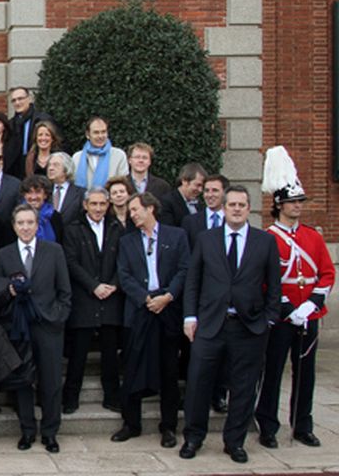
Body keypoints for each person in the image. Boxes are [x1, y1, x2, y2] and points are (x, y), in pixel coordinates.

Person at [180, 186, 281, 463]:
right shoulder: (206, 239)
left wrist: (268, 319)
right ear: (223, 208)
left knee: (244, 386)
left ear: (249, 209)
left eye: (242, 205)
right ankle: (193, 437)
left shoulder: (264, 242)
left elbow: (274, 286)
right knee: (199, 383)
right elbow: (193, 282)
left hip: (249, 328)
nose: (237, 209)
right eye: (232, 204)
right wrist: (190, 316)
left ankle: (234, 442)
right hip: (210, 326)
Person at [255, 147, 334, 449]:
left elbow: (326, 273)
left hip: (308, 315)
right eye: (292, 202)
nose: (298, 206)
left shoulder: (312, 236)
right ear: (279, 204)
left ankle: (302, 425)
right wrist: (288, 308)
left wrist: (311, 304)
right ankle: (267, 425)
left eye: (299, 201)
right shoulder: (268, 238)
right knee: (272, 371)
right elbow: (263, 281)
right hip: (281, 316)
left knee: (306, 374)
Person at [0, 204, 71, 453]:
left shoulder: (54, 251)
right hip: (18, 327)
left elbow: (65, 291)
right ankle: (27, 431)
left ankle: (50, 432)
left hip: (48, 327)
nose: (25, 227)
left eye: (30, 223)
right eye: (21, 223)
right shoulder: (3, 256)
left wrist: (58, 317)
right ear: (14, 226)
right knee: (23, 381)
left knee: (50, 382)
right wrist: (9, 291)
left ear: (38, 226)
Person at [112, 193, 189, 447]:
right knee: (132, 368)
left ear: (151, 208)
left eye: (135, 209)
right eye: (130, 211)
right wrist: (146, 299)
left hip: (167, 310)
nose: (132, 214)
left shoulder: (176, 236)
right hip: (139, 310)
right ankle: (130, 424)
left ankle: (168, 427)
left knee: (168, 371)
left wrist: (167, 296)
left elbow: (184, 269)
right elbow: (124, 275)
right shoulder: (127, 241)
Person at [62, 188, 123, 416]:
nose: (98, 208)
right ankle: (70, 398)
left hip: (111, 297)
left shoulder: (117, 228)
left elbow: (124, 260)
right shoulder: (73, 230)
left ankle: (112, 397)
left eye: (102, 204)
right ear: (85, 205)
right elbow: (70, 262)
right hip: (85, 298)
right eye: (94, 204)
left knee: (109, 354)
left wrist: (114, 284)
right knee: (78, 355)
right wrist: (93, 285)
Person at [71, 117, 128, 190]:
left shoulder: (119, 155)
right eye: (96, 132)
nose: (100, 136)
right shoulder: (77, 157)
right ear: (87, 135)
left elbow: (123, 183)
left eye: (103, 132)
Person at [9, 87, 52, 170]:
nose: (17, 103)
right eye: (14, 100)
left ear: (29, 99)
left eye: (20, 99)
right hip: (17, 168)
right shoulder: (11, 124)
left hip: (38, 165)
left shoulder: (43, 119)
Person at [159, 162, 206, 227]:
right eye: (198, 185)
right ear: (184, 181)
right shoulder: (167, 202)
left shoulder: (200, 204)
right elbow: (168, 232)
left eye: (202, 186)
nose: (200, 190)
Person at [20, 175, 64, 243]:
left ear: (45, 195)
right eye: (29, 192)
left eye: (38, 192)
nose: (33, 197)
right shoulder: (17, 216)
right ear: (24, 195)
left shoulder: (54, 216)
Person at [47, 152, 85, 225]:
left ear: (66, 169)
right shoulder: (45, 191)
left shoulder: (80, 193)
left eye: (56, 165)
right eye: (49, 165)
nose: (50, 168)